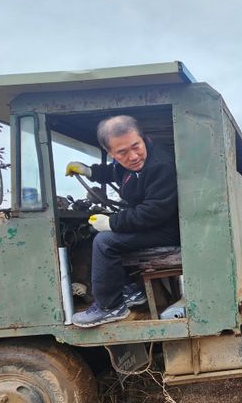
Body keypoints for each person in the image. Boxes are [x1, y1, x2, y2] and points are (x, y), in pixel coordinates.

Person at [65, 115, 179, 327]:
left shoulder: (161, 165)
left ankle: (110, 307)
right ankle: (130, 290)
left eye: (136, 146)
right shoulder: (127, 163)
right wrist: (90, 172)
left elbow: (153, 212)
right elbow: (115, 171)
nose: (133, 156)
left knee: (105, 241)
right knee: (96, 233)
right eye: (122, 153)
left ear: (143, 138)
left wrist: (111, 223)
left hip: (168, 228)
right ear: (111, 153)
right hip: (153, 223)